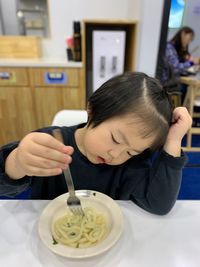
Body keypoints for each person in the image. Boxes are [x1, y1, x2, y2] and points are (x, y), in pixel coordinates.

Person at [0, 72, 192, 215]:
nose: (116, 155)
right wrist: (17, 162)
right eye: (116, 139)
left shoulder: (130, 165)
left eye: (131, 152)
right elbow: (4, 187)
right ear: (92, 110)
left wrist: (173, 141)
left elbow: (159, 204)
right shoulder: (51, 144)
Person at [164, 26, 199, 102]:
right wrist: (191, 62)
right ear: (183, 34)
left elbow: (181, 69)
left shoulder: (178, 49)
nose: (189, 42)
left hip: (174, 80)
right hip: (168, 82)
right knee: (186, 88)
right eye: (189, 38)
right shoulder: (169, 47)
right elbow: (176, 68)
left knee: (188, 87)